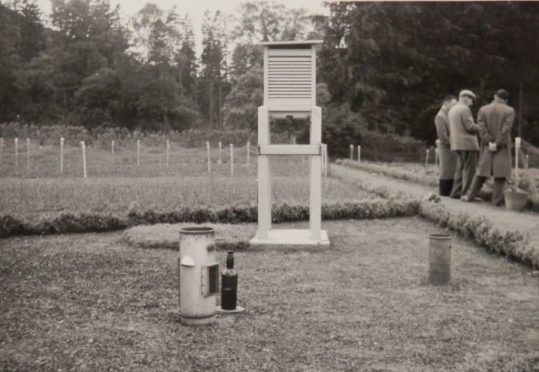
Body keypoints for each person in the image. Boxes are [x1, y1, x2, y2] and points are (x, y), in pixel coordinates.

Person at [461, 89, 515, 205]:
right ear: (505, 100)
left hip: (487, 145)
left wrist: (489, 141)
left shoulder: (483, 109)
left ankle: (469, 196)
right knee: (500, 174)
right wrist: (497, 143)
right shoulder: (510, 110)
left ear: (494, 96)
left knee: (481, 172)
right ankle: (496, 201)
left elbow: (482, 127)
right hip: (502, 146)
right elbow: (506, 129)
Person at [448, 90, 481, 198]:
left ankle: (455, 192)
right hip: (467, 144)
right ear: (465, 98)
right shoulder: (465, 109)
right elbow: (470, 127)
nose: (472, 102)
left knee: (460, 169)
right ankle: (466, 193)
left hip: (456, 143)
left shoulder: (452, 109)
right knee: (469, 170)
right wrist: (482, 127)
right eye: (471, 99)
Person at [434, 95, 458, 196]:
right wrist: (454, 143)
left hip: (451, 146)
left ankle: (449, 191)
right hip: (446, 147)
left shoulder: (448, 114)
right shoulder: (440, 116)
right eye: (453, 104)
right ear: (446, 103)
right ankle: (444, 192)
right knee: (446, 169)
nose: (454, 107)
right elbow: (442, 135)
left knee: (451, 169)